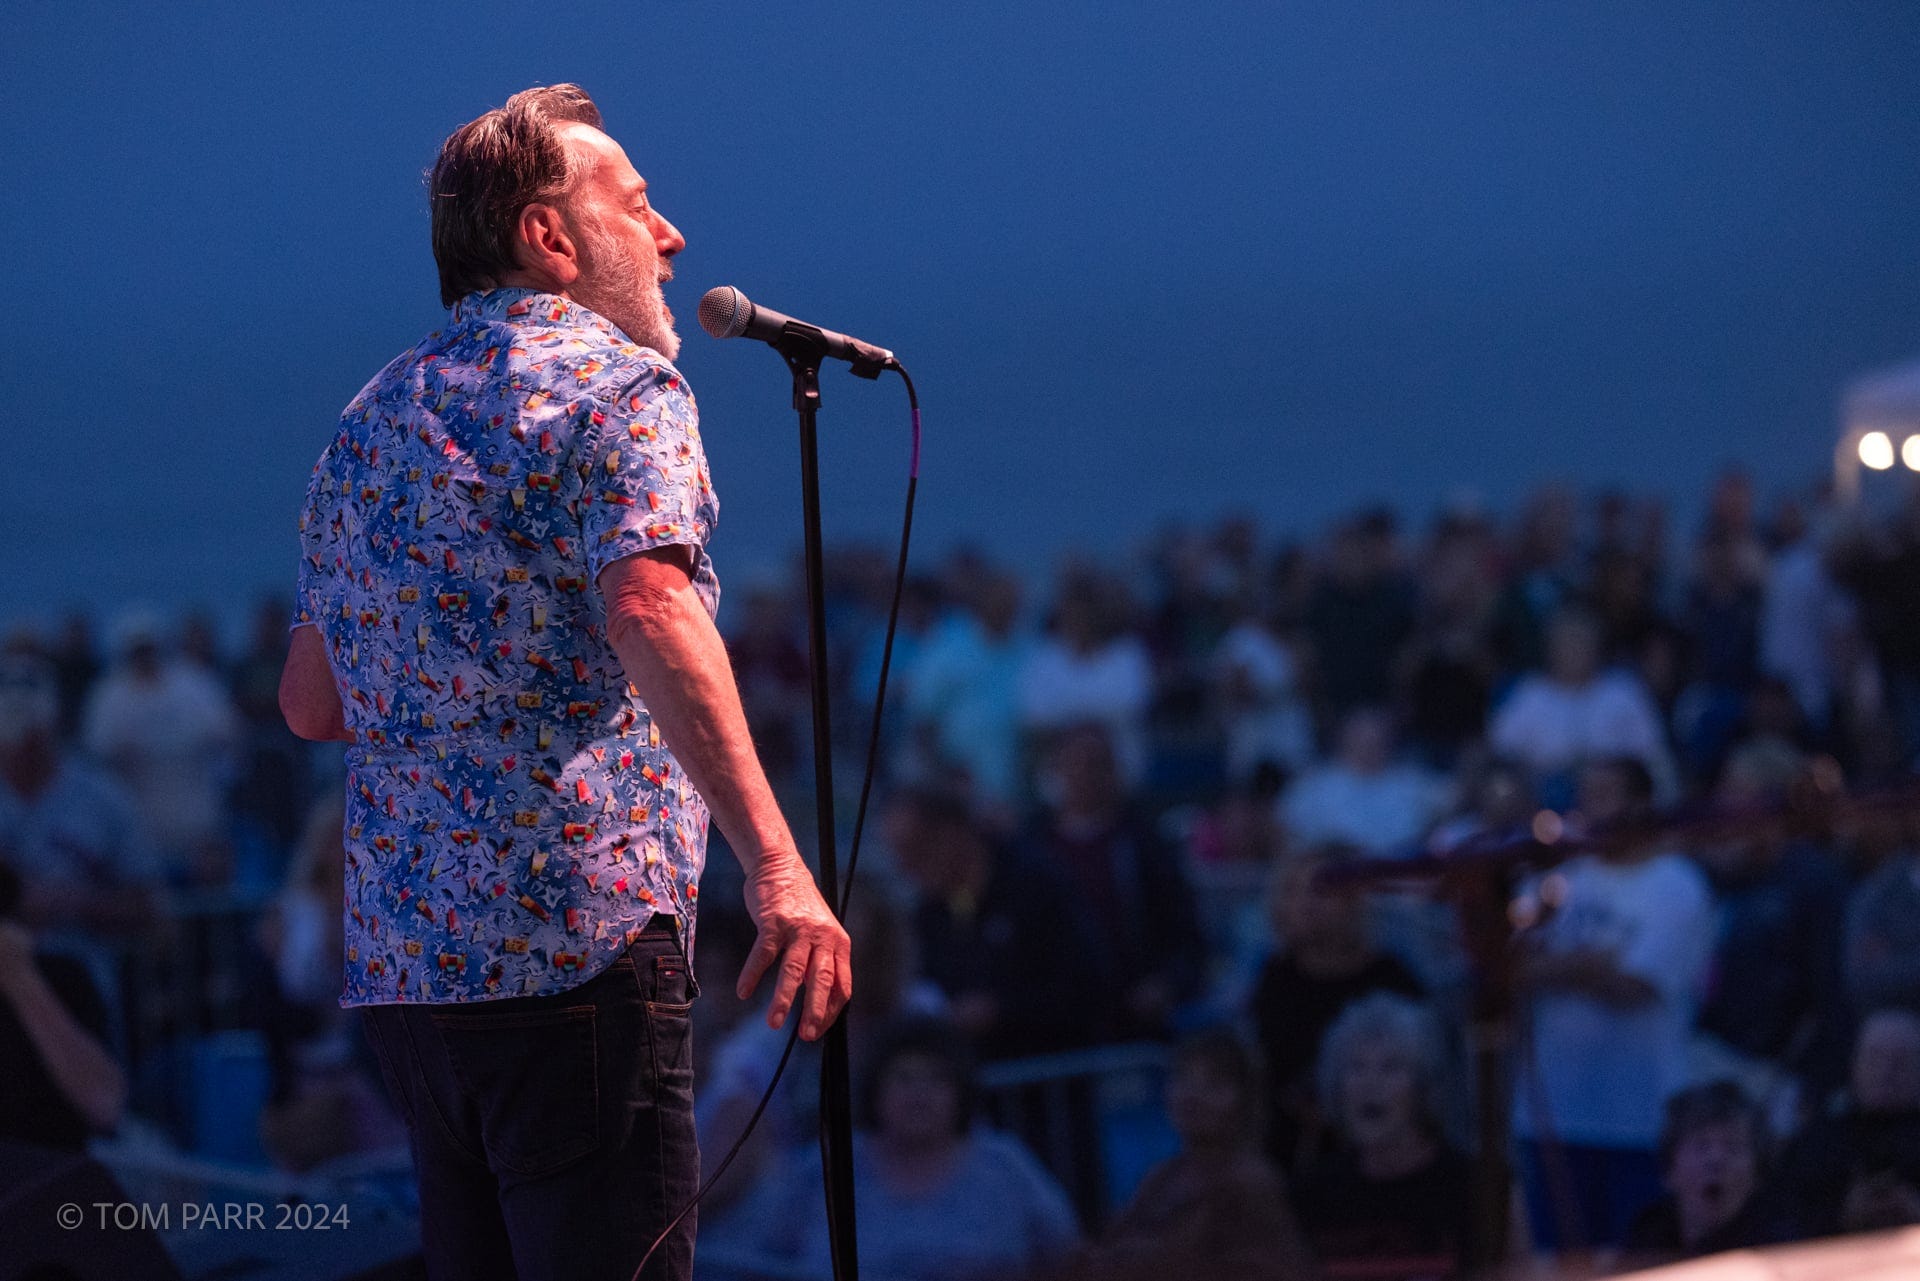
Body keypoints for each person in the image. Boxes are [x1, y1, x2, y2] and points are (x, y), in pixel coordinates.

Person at [278, 84, 850, 1281]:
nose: (671, 234)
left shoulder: (367, 422)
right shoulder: (619, 390)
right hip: (575, 953)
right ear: (551, 237)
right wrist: (780, 867)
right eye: (638, 206)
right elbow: (648, 605)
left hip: (411, 979)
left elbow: (311, 705)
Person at [1512, 757, 1713, 1251]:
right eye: (1585, 794)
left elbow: (1634, 987)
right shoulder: (1556, 879)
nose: (1589, 807)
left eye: (1605, 794)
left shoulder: (1677, 886)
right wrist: (1588, 965)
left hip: (1639, 1120)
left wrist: (1554, 968)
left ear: (1641, 804)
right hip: (1553, 1119)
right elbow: (1502, 967)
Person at [735, 1017, 1080, 1281]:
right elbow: (763, 1260)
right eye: (904, 1078)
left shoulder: (1005, 1166)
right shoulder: (824, 1169)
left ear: (960, 1092)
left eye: (936, 1080)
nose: (920, 1095)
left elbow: (1070, 1254)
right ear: (876, 1090)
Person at [1247, 843, 1424, 1172]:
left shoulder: (1393, 981)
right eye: (1292, 891)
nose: (1304, 905)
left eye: (1319, 891)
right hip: (1292, 1157)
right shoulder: (1272, 980)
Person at [1094, 1028, 1313, 1281]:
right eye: (1183, 1078)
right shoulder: (1162, 1177)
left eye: (1214, 1084)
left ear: (1245, 1097)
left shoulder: (1252, 1183)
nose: (1192, 1095)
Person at [1293, 993, 1476, 1278]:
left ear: (1423, 1086)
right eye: (1357, 1067)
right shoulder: (1311, 1194)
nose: (1370, 1083)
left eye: (1391, 1067)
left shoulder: (1472, 1187)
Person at [1623, 1082, 1798, 1262]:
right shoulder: (1646, 1237)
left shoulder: (1782, 1252)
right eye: (1702, 1146)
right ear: (1670, 1170)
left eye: (1732, 1147)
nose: (1716, 1160)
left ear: (1757, 1172)